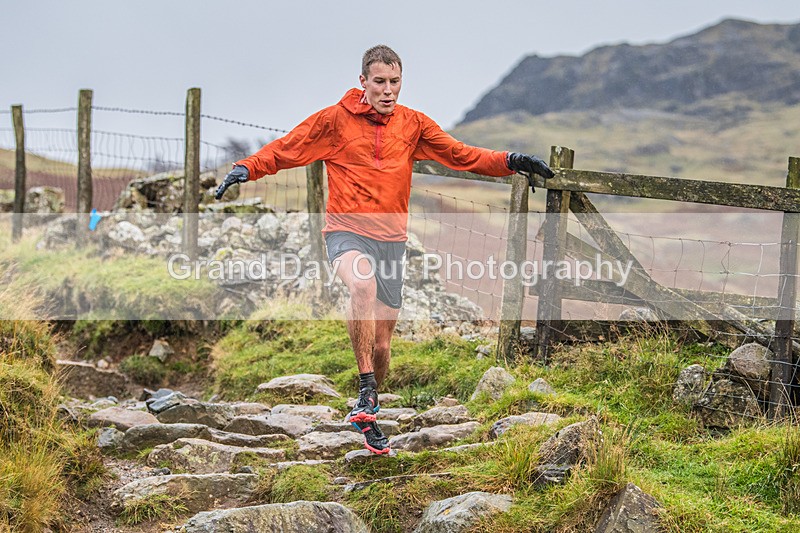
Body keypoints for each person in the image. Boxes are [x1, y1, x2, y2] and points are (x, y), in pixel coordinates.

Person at [215, 45, 554, 455]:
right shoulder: (333, 121)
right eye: (380, 82)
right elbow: (287, 147)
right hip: (346, 233)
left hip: (392, 242)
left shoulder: (413, 125)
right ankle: (364, 388)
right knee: (362, 287)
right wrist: (245, 168)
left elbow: (461, 155)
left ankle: (369, 411)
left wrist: (512, 160)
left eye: (395, 82)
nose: (388, 91)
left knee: (382, 347)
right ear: (363, 82)